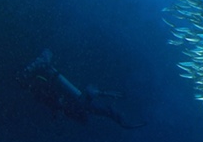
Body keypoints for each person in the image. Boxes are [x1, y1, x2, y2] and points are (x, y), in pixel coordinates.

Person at [17, 49, 145, 129]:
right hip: (73, 100)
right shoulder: (38, 86)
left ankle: (107, 98)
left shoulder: (37, 87)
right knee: (95, 107)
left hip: (73, 101)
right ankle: (107, 98)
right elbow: (52, 98)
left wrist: (57, 109)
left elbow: (52, 98)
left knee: (96, 107)